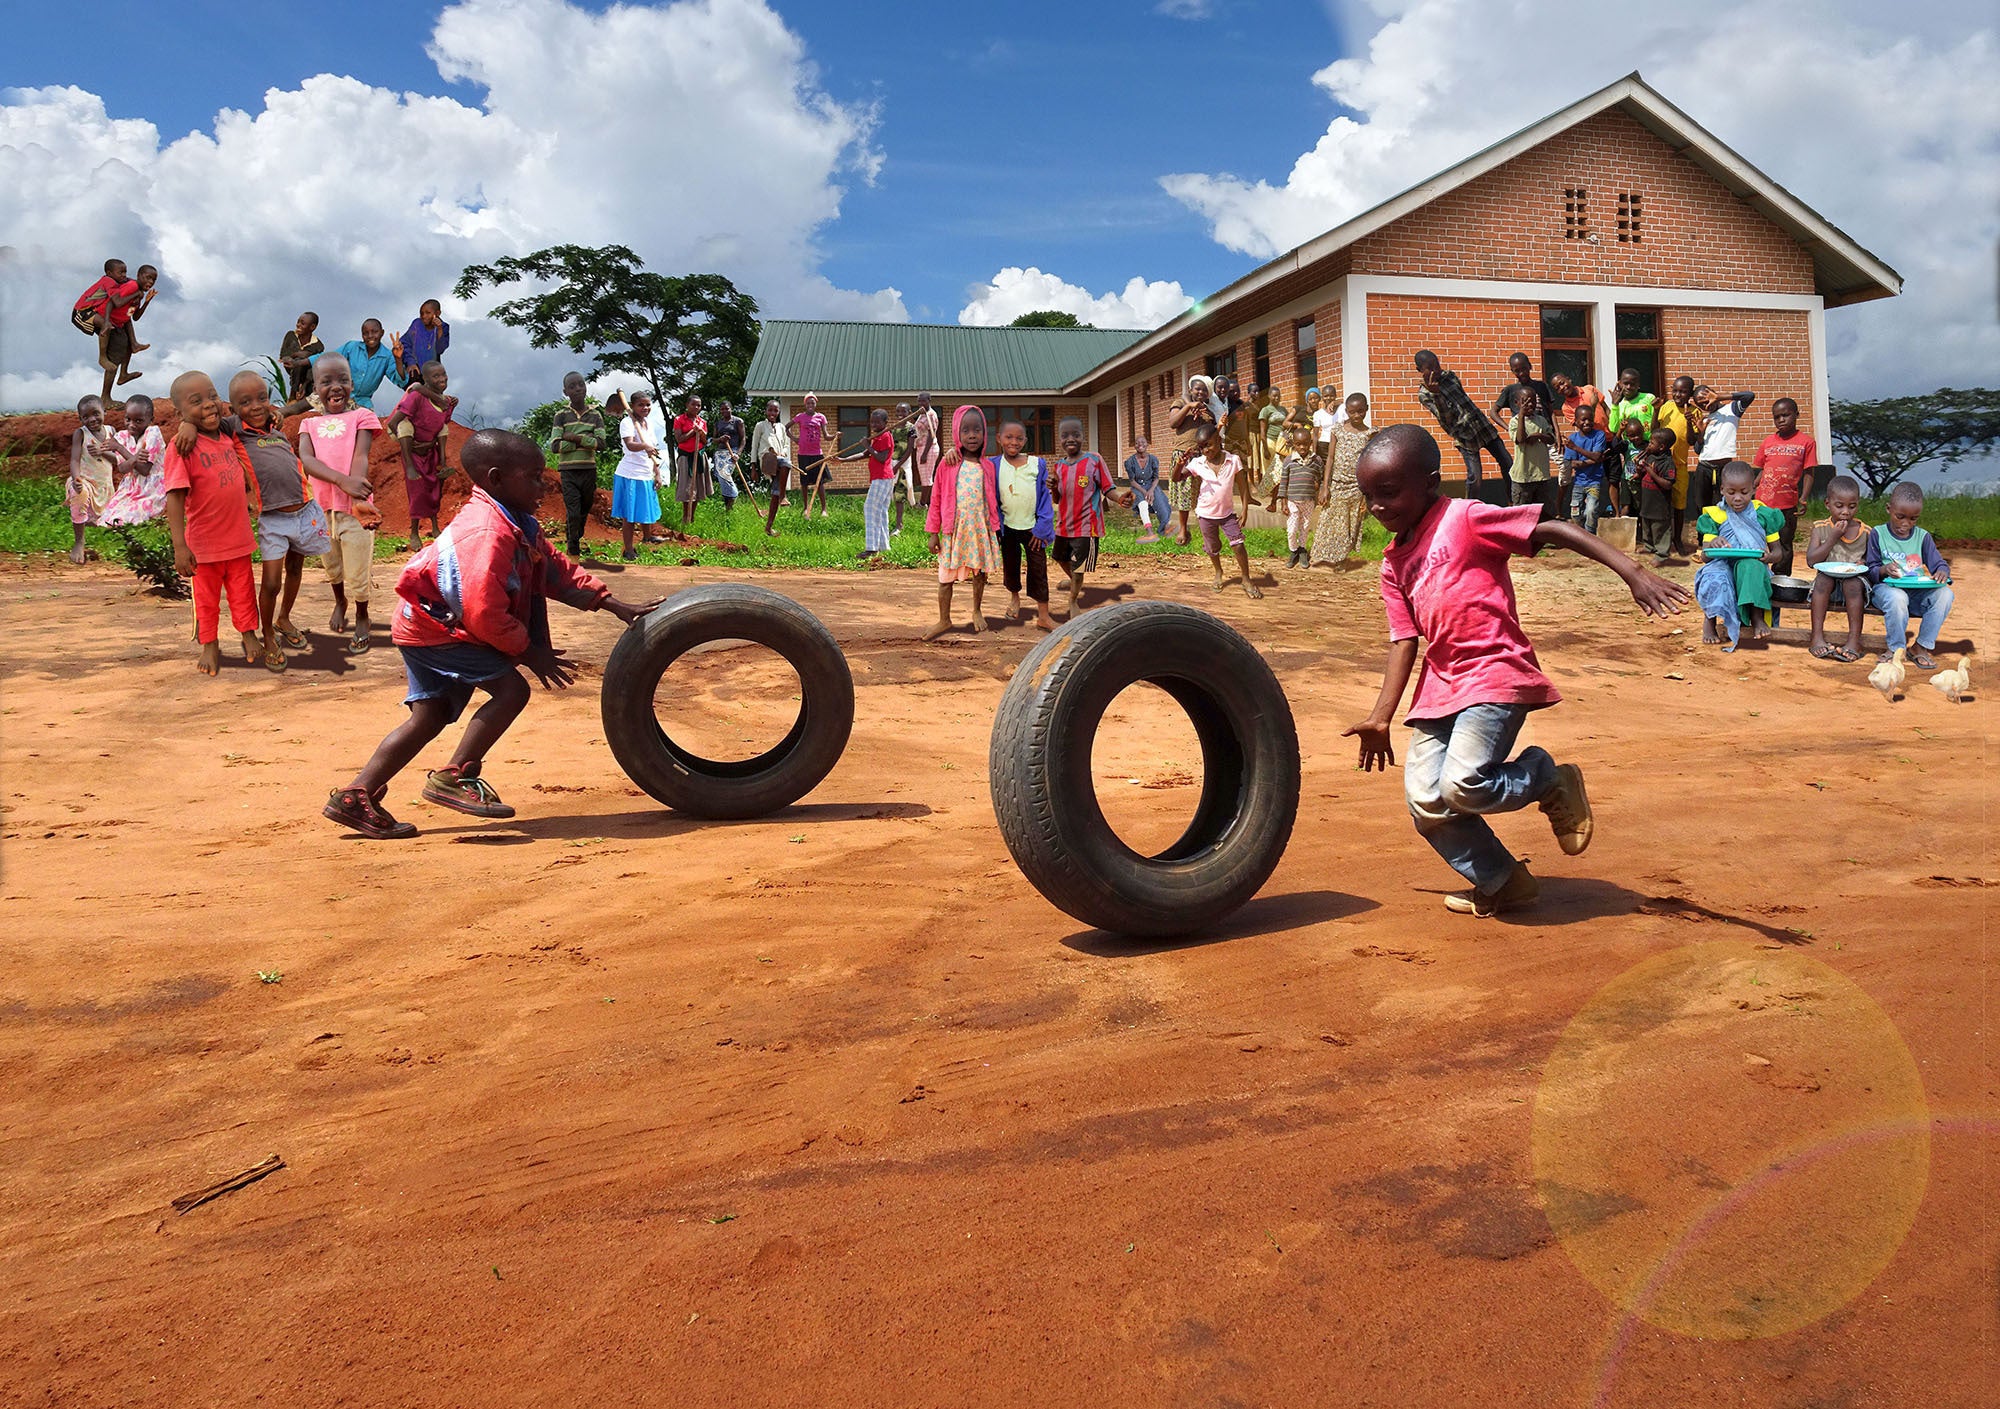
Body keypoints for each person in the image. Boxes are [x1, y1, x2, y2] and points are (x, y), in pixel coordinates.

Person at [1341, 424, 1689, 917]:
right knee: (1426, 801)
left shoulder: (1465, 519)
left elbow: (1552, 528)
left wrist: (1631, 572)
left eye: (1389, 493)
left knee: (1462, 784)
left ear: (1432, 483)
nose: (1377, 506)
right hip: (1440, 689)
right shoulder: (1393, 562)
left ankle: (1546, 777)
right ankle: (1503, 882)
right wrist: (1381, 717)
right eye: (1368, 496)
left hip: (1495, 675)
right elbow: (1404, 641)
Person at [323, 430, 660, 840]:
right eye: (534, 477)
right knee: (511, 692)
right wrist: (531, 652)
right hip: (440, 629)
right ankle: (456, 774)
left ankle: (356, 795)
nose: (544, 485)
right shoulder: (488, 533)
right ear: (497, 478)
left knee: (428, 716)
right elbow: (484, 612)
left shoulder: (516, 522)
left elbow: (554, 570)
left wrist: (609, 603)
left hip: (426, 624)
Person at [190, 370, 340, 673]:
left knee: (296, 568)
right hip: (273, 518)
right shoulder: (233, 428)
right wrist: (184, 426)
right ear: (232, 408)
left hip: (306, 509)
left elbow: (287, 410)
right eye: (245, 402)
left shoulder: (275, 427)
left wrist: (278, 412)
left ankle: (284, 618)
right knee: (271, 581)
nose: (256, 406)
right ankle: (268, 632)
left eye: (262, 398)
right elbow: (202, 421)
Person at [161, 371, 263, 676]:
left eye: (212, 396)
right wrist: (180, 546)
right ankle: (209, 644)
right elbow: (175, 498)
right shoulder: (182, 448)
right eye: (197, 402)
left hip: (238, 538)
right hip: (203, 544)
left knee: (243, 591)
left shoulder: (228, 436)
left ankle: (248, 635)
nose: (209, 405)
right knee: (206, 600)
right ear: (180, 414)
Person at [299, 357, 384, 652]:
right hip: (322, 511)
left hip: (355, 511)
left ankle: (362, 613)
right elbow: (307, 461)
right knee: (331, 565)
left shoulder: (363, 416)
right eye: (326, 382)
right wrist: (341, 481)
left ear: (351, 383)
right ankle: (340, 600)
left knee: (358, 570)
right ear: (315, 387)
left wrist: (357, 495)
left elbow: (360, 456)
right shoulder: (308, 423)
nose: (335, 388)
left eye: (343, 380)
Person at [924, 406, 1002, 640]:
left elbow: (993, 500)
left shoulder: (988, 466)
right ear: (957, 433)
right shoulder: (947, 464)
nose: (971, 435)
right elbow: (936, 498)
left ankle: (977, 610)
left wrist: (995, 529)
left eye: (977, 430)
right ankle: (944, 619)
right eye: (965, 430)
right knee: (945, 577)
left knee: (979, 574)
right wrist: (933, 532)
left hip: (979, 529)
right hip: (952, 531)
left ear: (984, 433)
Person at [1693, 462, 1783, 652]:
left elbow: (1778, 553)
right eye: (1731, 492)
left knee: (1750, 567)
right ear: (1722, 490)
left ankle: (1756, 617)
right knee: (1714, 574)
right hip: (1722, 563)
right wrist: (1713, 543)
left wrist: (1768, 557)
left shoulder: (1763, 514)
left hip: (1754, 564)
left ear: (1753, 489)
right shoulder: (1714, 515)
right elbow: (1705, 557)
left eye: (1744, 492)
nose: (1738, 498)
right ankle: (1710, 621)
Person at [1864, 482, 1955, 670]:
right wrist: (1883, 569)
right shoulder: (1878, 534)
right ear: (1889, 509)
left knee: (1946, 594)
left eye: (1913, 519)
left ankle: (1921, 647)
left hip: (1917, 594)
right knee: (1898, 597)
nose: (1905, 524)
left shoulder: (1922, 537)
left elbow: (1939, 563)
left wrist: (1942, 571)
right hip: (1887, 591)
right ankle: (1896, 649)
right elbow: (1871, 568)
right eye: (1900, 517)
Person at [1048, 416, 1129, 617]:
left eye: (1076, 434)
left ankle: (1073, 599)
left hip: (1087, 525)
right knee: (1059, 557)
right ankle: (1075, 580)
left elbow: (1108, 487)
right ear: (1059, 439)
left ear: (1083, 436)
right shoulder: (1058, 466)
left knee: (1080, 564)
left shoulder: (1094, 460)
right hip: (1064, 525)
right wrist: (1052, 487)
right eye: (1065, 435)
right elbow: (1057, 499)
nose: (1070, 439)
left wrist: (1119, 499)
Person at [1174, 424, 1262, 600]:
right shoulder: (1197, 463)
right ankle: (1218, 571)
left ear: (1219, 440)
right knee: (1213, 548)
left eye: (1209, 445)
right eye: (1202, 447)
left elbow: (1243, 486)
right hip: (1205, 515)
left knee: (1238, 544)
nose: (1206, 450)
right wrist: (1179, 465)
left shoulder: (1233, 460)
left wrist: (1244, 510)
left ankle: (1246, 578)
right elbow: (1177, 478)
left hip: (1227, 514)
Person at [992, 419, 1056, 630]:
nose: (1014, 442)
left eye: (1019, 438)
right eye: (1008, 437)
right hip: (1007, 527)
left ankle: (1043, 615)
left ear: (1026, 440)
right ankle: (1014, 598)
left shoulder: (1037, 464)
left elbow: (1045, 498)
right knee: (1011, 566)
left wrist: (1042, 528)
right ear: (999, 439)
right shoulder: (993, 465)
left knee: (1038, 569)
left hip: (1033, 529)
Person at [385, 360, 458, 548]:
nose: (442, 379)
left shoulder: (446, 401)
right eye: (436, 376)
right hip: (414, 454)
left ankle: (435, 527)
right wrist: (411, 446)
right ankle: (414, 533)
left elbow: (442, 422)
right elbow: (394, 423)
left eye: (443, 374)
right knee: (417, 491)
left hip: (431, 450)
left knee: (434, 488)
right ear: (426, 379)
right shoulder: (417, 397)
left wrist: (452, 406)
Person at [1414, 350, 1511, 485]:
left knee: (1507, 462)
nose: (1436, 370)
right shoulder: (1424, 394)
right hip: (1465, 436)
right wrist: (1437, 395)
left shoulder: (1450, 377)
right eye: (1430, 368)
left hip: (1481, 426)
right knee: (1475, 477)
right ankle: (1470, 504)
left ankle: (1512, 501)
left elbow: (1465, 402)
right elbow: (1446, 419)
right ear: (1420, 370)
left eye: (1437, 365)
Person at [1804, 474, 1870, 662]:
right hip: (1827, 588)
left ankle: (1854, 641)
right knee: (1823, 579)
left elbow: (1871, 560)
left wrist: (1863, 563)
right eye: (1839, 505)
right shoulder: (1821, 528)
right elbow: (1811, 561)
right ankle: (1816, 637)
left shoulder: (1866, 532)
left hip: (1855, 588)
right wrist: (1832, 537)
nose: (1845, 512)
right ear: (1827, 504)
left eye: (1852, 506)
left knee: (1852, 583)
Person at [1751, 397, 1817, 575]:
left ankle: (1780, 581)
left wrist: (1803, 498)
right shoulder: (1768, 442)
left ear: (1796, 415)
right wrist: (1750, 489)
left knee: (1784, 545)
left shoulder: (1806, 443)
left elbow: (1809, 472)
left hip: (1787, 506)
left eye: (1785, 415)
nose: (1781, 420)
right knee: (1758, 541)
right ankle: (1758, 575)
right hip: (1762, 504)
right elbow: (1763, 470)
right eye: (1776, 417)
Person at [66, 395, 132, 563]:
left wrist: (102, 451)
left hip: (104, 485)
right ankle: (79, 542)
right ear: (80, 419)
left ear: (105, 412)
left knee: (116, 520)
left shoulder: (111, 432)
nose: (92, 419)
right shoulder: (80, 434)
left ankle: (130, 547)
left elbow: (119, 460)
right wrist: (76, 479)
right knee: (79, 494)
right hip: (85, 480)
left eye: (96, 413)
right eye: (85, 417)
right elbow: (74, 460)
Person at [549, 372, 608, 558]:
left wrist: (573, 437)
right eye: (572, 386)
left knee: (585, 507)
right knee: (573, 511)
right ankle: (573, 546)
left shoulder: (595, 415)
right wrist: (586, 440)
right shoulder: (561, 416)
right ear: (565, 392)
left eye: (580, 384)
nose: (577, 389)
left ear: (585, 387)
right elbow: (556, 446)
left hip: (588, 470)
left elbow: (601, 444)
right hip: (568, 471)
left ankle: (576, 534)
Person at [1310, 392, 1372, 568]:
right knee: (1329, 520)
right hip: (1337, 484)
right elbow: (1330, 458)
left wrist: (1366, 493)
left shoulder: (1369, 434)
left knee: (1349, 524)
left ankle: (1341, 558)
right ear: (1347, 411)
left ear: (1366, 409)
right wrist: (1325, 485)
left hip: (1356, 487)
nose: (1357, 416)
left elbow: (1369, 463)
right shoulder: (1337, 430)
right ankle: (1322, 554)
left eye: (1361, 411)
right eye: (1353, 412)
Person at [833, 407, 896, 560]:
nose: (873, 424)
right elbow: (864, 454)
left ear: (885, 422)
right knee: (880, 511)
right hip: (881, 478)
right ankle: (883, 546)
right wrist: (843, 460)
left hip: (883, 477)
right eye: (871, 421)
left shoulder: (885, 436)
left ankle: (871, 548)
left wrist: (867, 445)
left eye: (877, 421)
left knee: (870, 508)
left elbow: (881, 458)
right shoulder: (877, 437)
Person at [1164, 375, 1218, 546]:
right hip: (1183, 455)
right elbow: (1173, 423)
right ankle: (1182, 528)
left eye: (1204, 390)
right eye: (1197, 388)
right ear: (1191, 390)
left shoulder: (1209, 413)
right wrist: (1188, 406)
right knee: (1184, 496)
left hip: (1202, 457)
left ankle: (1205, 532)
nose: (1200, 392)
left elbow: (1213, 435)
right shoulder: (1180, 403)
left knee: (1203, 495)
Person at [102, 393, 168, 527]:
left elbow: (144, 470)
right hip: (130, 487)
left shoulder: (153, 433)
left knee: (129, 517)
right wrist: (134, 458)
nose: (131, 425)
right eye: (128, 419)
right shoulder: (123, 436)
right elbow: (122, 468)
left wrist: (120, 449)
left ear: (150, 420)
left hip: (152, 488)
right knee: (108, 516)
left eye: (138, 421)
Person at [613, 391, 663, 560]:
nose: (645, 408)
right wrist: (644, 445)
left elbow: (653, 452)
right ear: (632, 406)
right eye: (640, 405)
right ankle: (628, 549)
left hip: (646, 472)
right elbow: (630, 445)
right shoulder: (627, 422)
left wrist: (657, 473)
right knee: (630, 514)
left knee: (645, 508)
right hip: (630, 474)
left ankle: (647, 537)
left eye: (648, 404)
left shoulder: (648, 423)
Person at [1690, 386, 1754, 519]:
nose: (1705, 404)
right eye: (1700, 403)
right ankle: (1704, 538)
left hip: (1723, 468)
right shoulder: (1705, 420)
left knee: (1723, 505)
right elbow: (1697, 449)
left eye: (1706, 398)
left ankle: (1725, 536)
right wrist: (1701, 434)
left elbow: (1749, 396)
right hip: (1704, 467)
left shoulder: (1732, 410)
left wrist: (1720, 397)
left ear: (1713, 394)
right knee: (1702, 506)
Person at [1269, 420, 1322, 568]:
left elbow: (1321, 477)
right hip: (1292, 500)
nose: (1302, 447)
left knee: (1305, 527)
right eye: (1298, 444)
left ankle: (1302, 550)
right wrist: (1283, 502)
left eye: (1305, 444)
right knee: (1292, 529)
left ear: (1310, 443)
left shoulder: (1316, 460)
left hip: (1308, 501)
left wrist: (1319, 487)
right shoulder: (1288, 461)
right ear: (1294, 444)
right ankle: (1293, 551)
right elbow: (1283, 482)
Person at [1507, 386, 1558, 521]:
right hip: (1523, 477)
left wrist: (1539, 435)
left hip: (1540, 475)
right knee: (1521, 513)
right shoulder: (1515, 422)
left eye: (1533, 401)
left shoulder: (1541, 420)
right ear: (1517, 403)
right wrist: (1522, 416)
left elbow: (1551, 438)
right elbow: (1520, 439)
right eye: (1525, 401)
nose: (1530, 404)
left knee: (1544, 512)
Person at [1656, 377, 1696, 551]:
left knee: (1679, 506)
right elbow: (1655, 431)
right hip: (1661, 464)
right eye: (1675, 390)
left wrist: (1688, 421)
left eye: (1683, 391)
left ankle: (1678, 539)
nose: (1678, 394)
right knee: (1661, 504)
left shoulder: (1695, 412)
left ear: (1690, 394)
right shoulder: (1666, 407)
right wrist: (1655, 410)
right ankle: (1661, 541)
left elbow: (1692, 441)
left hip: (1679, 466)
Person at [332, 319, 407, 411]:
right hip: (338, 394)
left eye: (374, 332)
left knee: (367, 422)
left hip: (362, 402)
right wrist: (309, 361)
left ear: (382, 333)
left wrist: (398, 359)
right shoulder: (352, 347)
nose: (370, 336)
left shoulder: (387, 356)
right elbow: (330, 359)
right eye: (365, 333)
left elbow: (400, 380)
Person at [1632, 426, 1679, 563]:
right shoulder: (1651, 456)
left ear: (1661, 447)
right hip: (1647, 500)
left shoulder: (1667, 463)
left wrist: (1651, 472)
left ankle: (1662, 554)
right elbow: (1644, 474)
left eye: (1652, 443)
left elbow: (1668, 484)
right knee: (1647, 523)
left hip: (1659, 504)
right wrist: (1640, 471)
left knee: (1660, 528)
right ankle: (1649, 546)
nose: (1649, 445)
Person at [1561, 406, 1609, 534]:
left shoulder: (1599, 435)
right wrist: (1593, 460)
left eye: (1590, 419)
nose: (1587, 422)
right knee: (1575, 514)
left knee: (1591, 510)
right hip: (1578, 482)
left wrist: (1577, 449)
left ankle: (1590, 536)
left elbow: (1597, 456)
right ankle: (1582, 536)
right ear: (1576, 421)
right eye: (1583, 420)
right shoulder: (1573, 438)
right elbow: (1573, 464)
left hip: (1594, 482)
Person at [753, 400, 793, 538]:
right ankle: (784, 495)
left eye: (775, 411)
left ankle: (768, 528)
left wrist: (783, 453)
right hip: (767, 459)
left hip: (780, 461)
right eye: (770, 410)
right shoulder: (760, 426)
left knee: (775, 492)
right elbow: (754, 446)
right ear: (766, 411)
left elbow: (786, 445)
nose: (772, 413)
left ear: (778, 412)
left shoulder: (781, 427)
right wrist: (753, 466)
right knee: (787, 463)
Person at [670, 394, 711, 529]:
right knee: (687, 488)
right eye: (693, 404)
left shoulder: (702, 422)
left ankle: (692, 517)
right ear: (687, 405)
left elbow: (705, 441)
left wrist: (701, 432)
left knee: (697, 487)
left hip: (698, 456)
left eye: (698, 405)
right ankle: (685, 517)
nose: (696, 407)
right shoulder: (679, 419)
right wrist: (693, 432)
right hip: (685, 457)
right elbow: (679, 439)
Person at [1491, 353, 1554, 432]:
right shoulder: (1510, 390)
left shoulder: (1542, 386)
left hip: (1545, 433)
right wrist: (1509, 429)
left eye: (1524, 369)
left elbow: (1551, 412)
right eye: (1517, 371)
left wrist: (1557, 434)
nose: (1521, 373)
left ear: (1530, 366)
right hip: (1524, 436)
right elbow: (1493, 412)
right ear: (1512, 371)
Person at [792, 394, 831, 519]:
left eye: (812, 403)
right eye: (808, 403)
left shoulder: (821, 417)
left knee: (819, 482)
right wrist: (795, 439)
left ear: (815, 404)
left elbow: (826, 436)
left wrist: (835, 436)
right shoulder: (800, 417)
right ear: (805, 404)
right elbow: (786, 427)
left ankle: (824, 509)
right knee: (804, 482)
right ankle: (805, 508)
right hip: (803, 454)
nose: (810, 405)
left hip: (817, 454)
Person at [1124, 435, 1168, 544]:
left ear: (1147, 444)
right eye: (1137, 443)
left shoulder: (1153, 459)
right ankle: (1150, 533)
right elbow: (1132, 481)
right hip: (1137, 487)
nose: (1140, 445)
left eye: (1143, 442)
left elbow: (1156, 478)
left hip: (1151, 485)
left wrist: (1151, 490)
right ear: (1134, 446)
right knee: (1142, 503)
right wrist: (1145, 492)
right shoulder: (1129, 461)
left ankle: (1164, 528)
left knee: (1160, 501)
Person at [397, 300, 450, 382]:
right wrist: (411, 362)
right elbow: (404, 343)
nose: (424, 316)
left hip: (432, 371)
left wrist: (439, 330)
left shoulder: (443, 327)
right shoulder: (417, 324)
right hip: (415, 369)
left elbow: (440, 349)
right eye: (421, 313)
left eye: (428, 313)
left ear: (438, 313)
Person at [280, 312, 324, 401]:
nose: (298, 325)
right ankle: (293, 395)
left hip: (309, 376)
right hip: (291, 369)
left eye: (302, 323)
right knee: (299, 360)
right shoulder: (291, 336)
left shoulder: (318, 345)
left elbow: (315, 365)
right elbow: (283, 356)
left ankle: (301, 392)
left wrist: (305, 384)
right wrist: (298, 354)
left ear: (312, 327)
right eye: (298, 322)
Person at [710, 400, 744, 511]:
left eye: (727, 408)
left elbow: (743, 439)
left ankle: (733, 494)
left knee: (726, 474)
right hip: (720, 453)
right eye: (722, 409)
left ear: (731, 409)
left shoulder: (738, 421)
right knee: (721, 477)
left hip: (732, 452)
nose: (724, 411)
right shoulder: (718, 423)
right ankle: (727, 505)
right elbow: (713, 439)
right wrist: (720, 439)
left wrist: (737, 454)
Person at [910, 392, 941, 511]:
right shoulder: (922, 413)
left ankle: (922, 505)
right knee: (925, 476)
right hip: (921, 448)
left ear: (929, 400)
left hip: (928, 449)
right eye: (919, 401)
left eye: (923, 401)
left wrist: (924, 454)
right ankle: (929, 502)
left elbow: (931, 435)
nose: (920, 403)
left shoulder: (931, 414)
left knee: (926, 478)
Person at [1308, 387, 1335, 456]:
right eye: (1326, 396)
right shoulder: (1318, 414)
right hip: (1324, 445)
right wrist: (1314, 451)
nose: (1328, 398)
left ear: (1335, 396)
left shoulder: (1341, 410)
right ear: (1322, 397)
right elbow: (1315, 434)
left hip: (1338, 444)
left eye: (1331, 395)